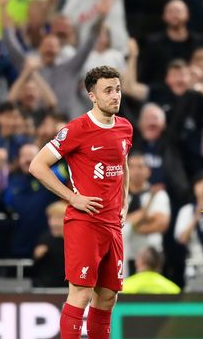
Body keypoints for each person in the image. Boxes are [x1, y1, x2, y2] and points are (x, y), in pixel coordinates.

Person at [29, 66, 132, 339]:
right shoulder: (77, 129)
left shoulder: (125, 127)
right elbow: (37, 166)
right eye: (107, 90)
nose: (115, 96)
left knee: (108, 296)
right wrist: (73, 197)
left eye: (118, 89)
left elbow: (122, 165)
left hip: (113, 224)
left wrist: (126, 201)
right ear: (92, 96)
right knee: (82, 292)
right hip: (85, 222)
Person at [32, 201, 68, 288]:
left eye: (59, 218)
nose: (55, 223)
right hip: (47, 287)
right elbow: (35, 263)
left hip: (69, 288)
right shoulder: (45, 238)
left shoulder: (75, 240)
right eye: (51, 218)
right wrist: (37, 255)